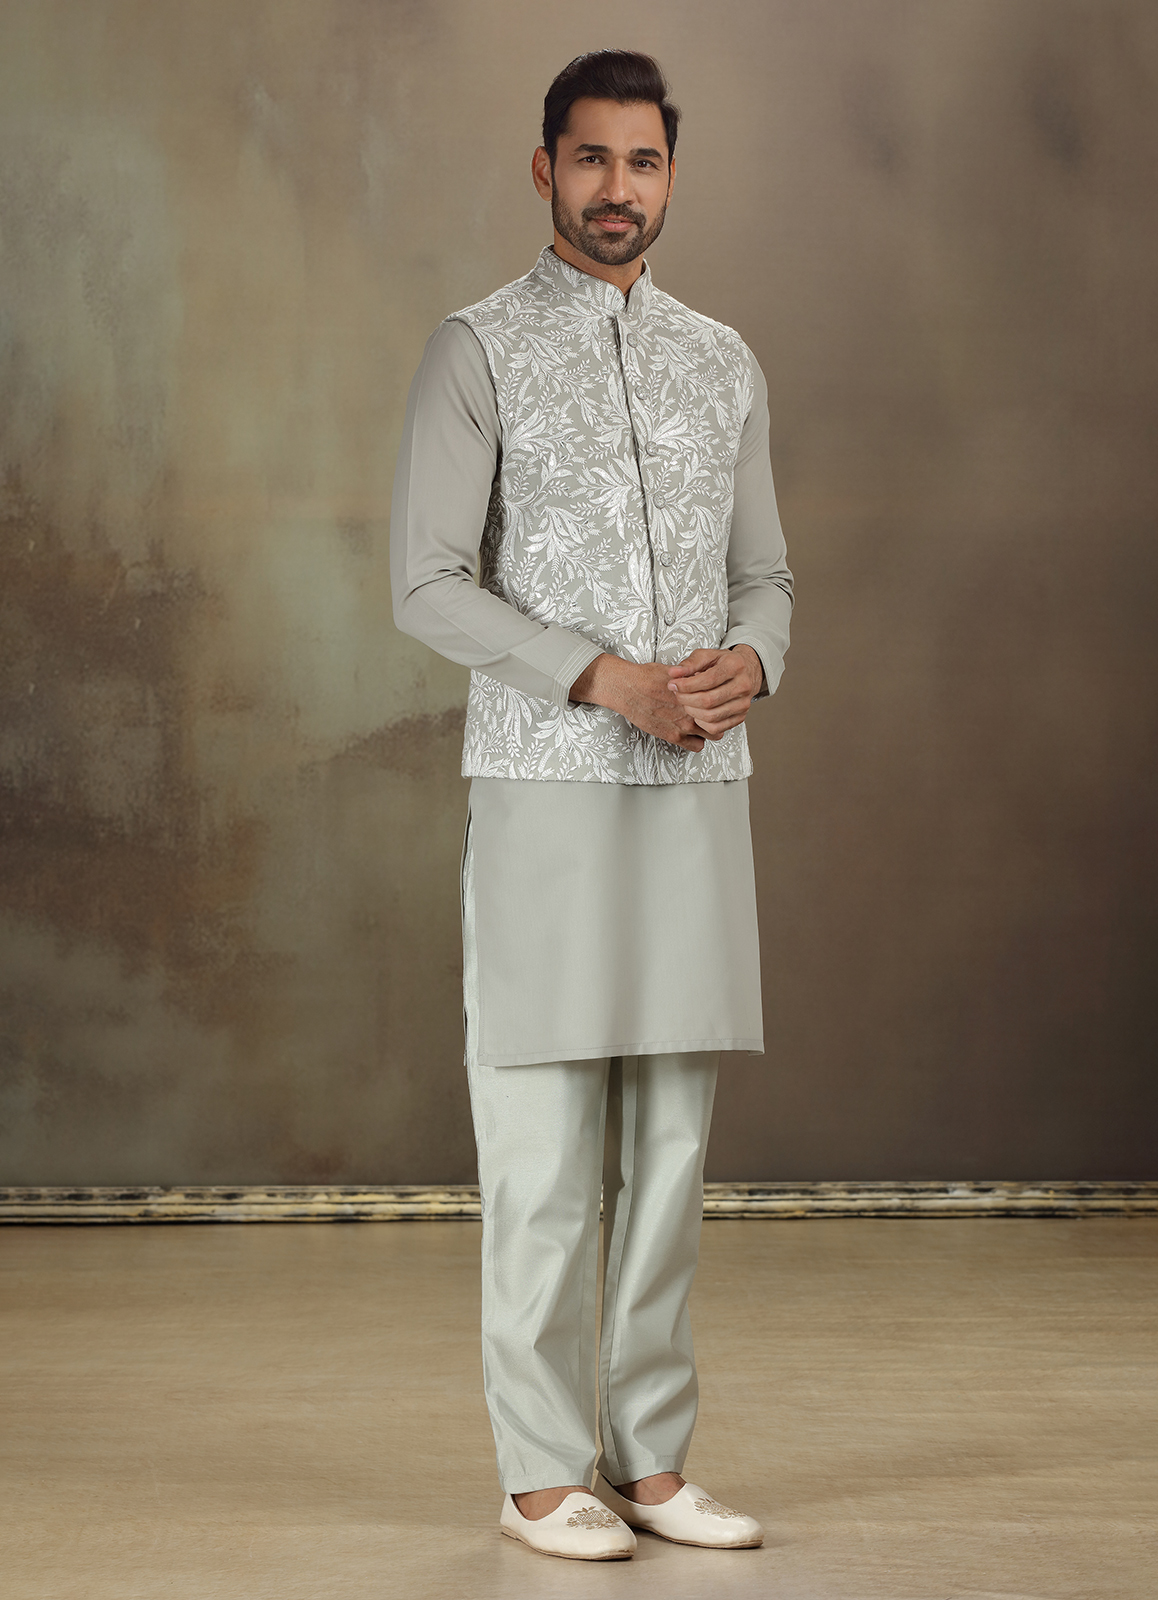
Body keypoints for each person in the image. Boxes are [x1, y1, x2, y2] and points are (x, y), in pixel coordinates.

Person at [390, 48, 793, 1562]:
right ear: (544, 168)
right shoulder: (477, 350)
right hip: (546, 785)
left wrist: (756, 659)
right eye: (590, 158)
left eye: (643, 161)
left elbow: (769, 576)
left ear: (670, 176)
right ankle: (541, 1471)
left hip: (700, 788)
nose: (617, 189)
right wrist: (602, 679)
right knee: (547, 1143)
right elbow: (426, 584)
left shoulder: (724, 360)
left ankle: (651, 1458)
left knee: (672, 1145)